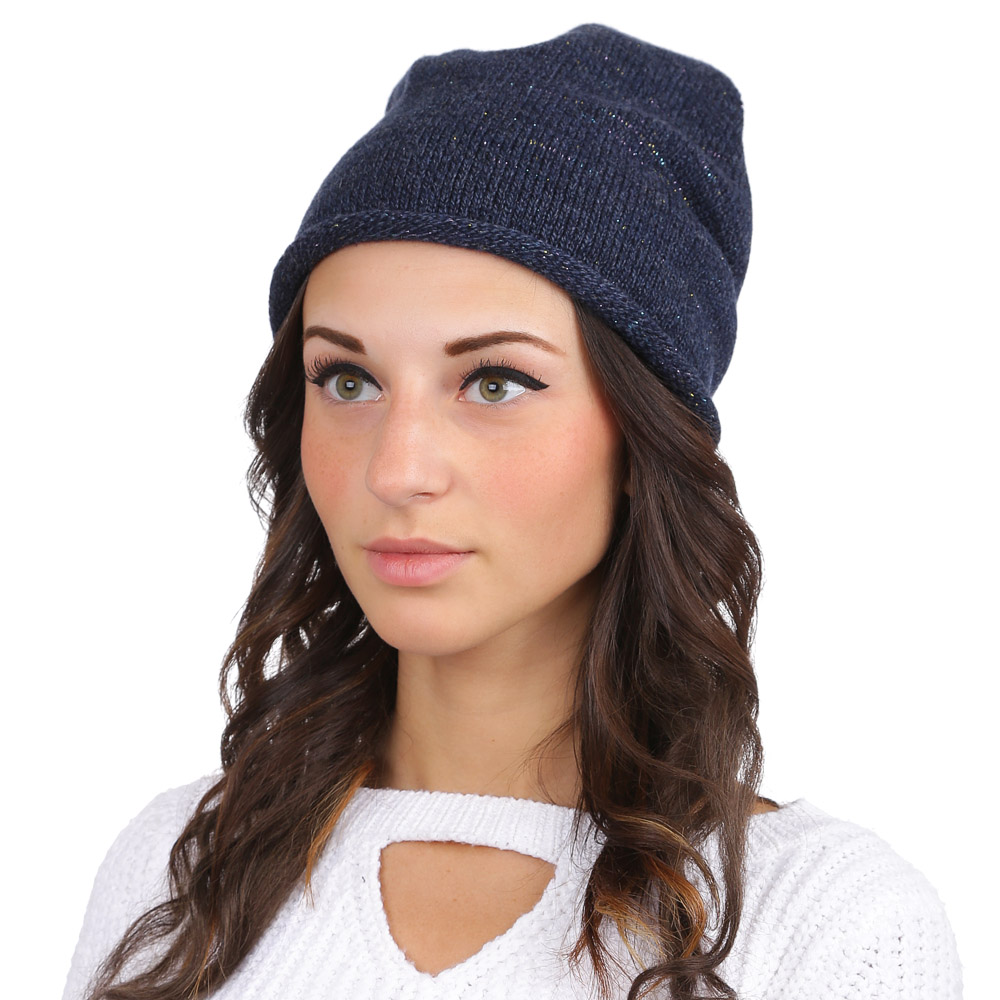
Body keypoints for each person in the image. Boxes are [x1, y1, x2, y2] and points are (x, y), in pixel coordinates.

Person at [62, 23, 962, 1000]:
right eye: (349, 379)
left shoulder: (830, 923)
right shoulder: (181, 868)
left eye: (494, 382)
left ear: (642, 437)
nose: (397, 470)